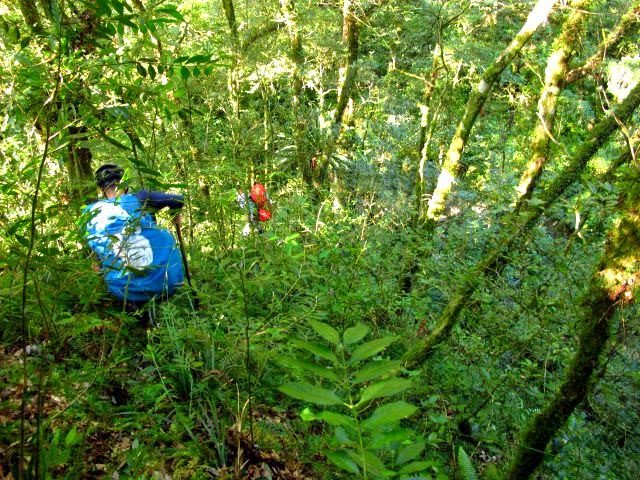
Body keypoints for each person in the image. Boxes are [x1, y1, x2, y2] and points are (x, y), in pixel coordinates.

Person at [81, 164, 185, 320]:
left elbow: (97, 246)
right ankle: (153, 314)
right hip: (163, 279)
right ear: (125, 184)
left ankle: (139, 313)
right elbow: (177, 199)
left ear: (101, 189)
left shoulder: (91, 213)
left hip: (122, 287)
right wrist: (175, 214)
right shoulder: (140, 197)